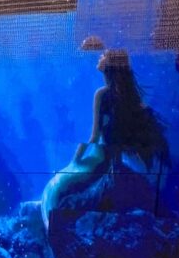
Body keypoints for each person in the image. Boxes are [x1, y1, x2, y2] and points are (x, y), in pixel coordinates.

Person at [40, 41, 170, 243]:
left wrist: (75, 161)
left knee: (52, 191)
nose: (100, 57)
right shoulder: (132, 101)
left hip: (99, 159)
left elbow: (93, 137)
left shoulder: (102, 94)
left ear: (110, 64)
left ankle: (53, 236)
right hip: (111, 161)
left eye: (104, 55)